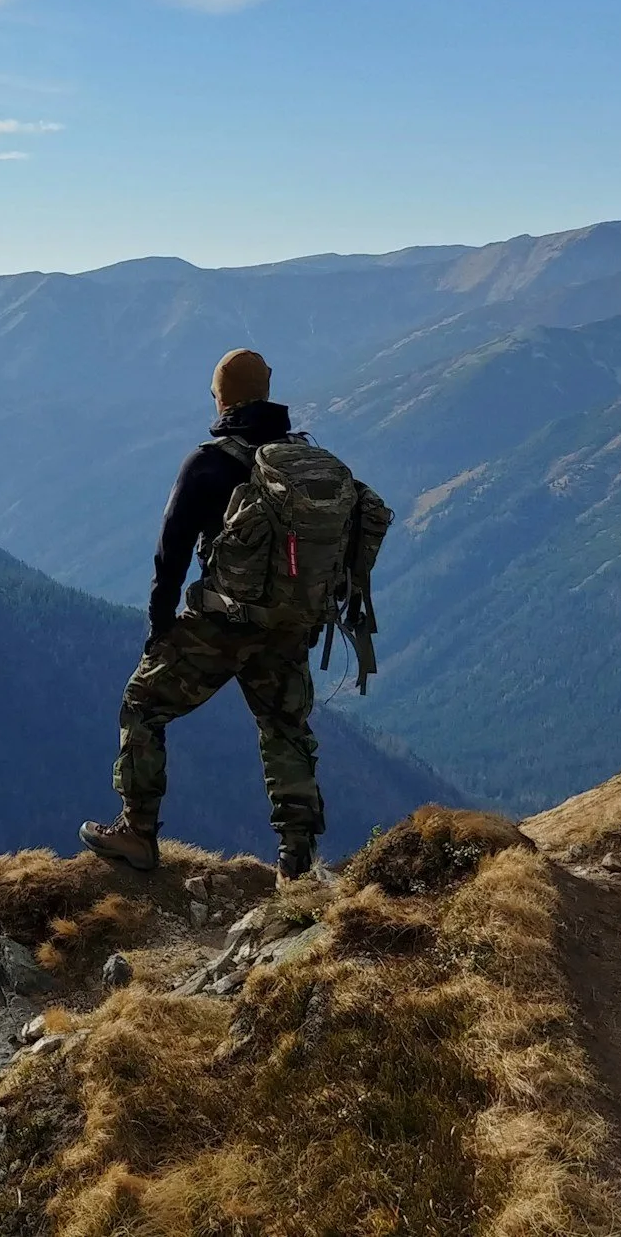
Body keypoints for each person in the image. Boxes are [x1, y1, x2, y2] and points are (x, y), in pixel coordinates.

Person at [80, 348, 390, 880]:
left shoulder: (209, 462)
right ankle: (298, 857)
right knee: (285, 728)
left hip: (221, 624)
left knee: (143, 705)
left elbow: (171, 551)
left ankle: (137, 831)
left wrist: (159, 627)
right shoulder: (305, 462)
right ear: (266, 393)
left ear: (221, 396)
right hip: (290, 625)